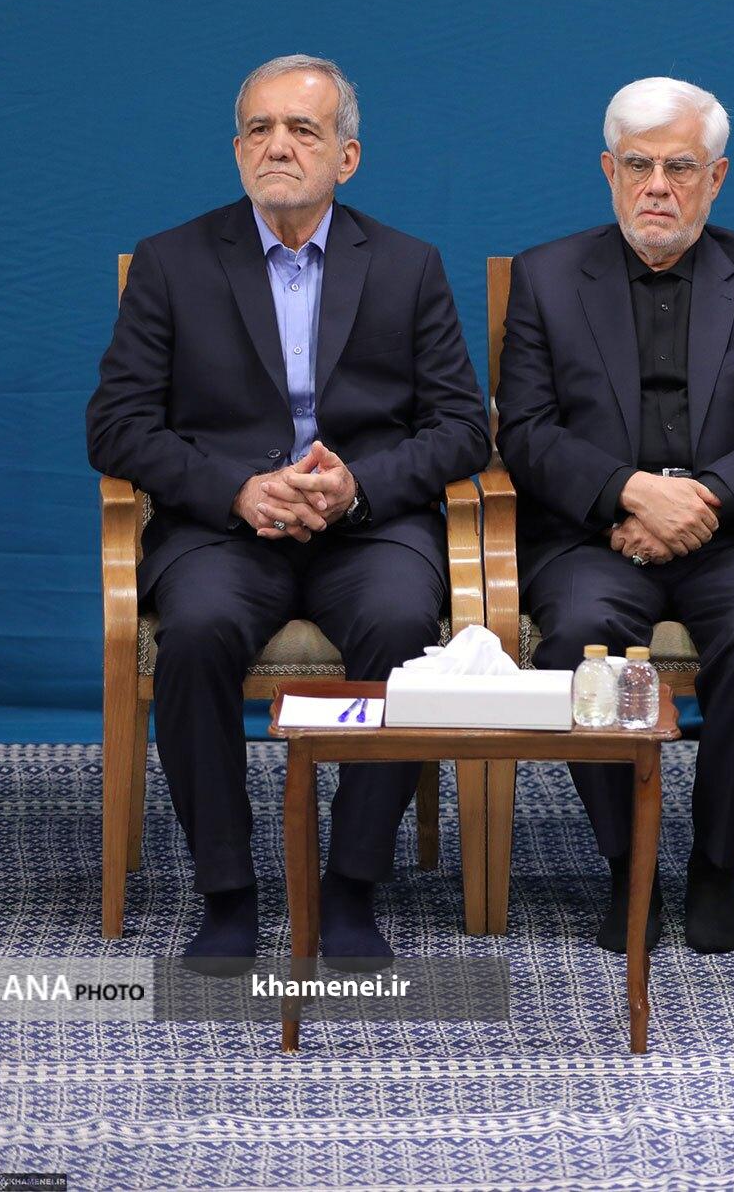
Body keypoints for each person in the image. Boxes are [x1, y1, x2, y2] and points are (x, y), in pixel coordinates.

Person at [87, 54, 490, 966]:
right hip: (222, 530)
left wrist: (356, 487)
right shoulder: (171, 262)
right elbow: (115, 426)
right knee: (195, 635)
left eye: (303, 129)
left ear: (347, 157)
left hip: (368, 527)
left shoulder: (408, 265)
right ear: (237, 150)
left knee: (401, 625)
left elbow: (464, 428)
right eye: (260, 129)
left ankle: (350, 887)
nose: (278, 146)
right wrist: (237, 489)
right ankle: (227, 893)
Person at [496, 77, 734, 955]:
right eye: (638, 165)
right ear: (608, 171)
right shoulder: (545, 276)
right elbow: (524, 431)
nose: (658, 187)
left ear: (715, 177)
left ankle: (715, 867)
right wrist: (629, 491)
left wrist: (705, 498)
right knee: (579, 639)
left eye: (680, 167)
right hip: (595, 533)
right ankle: (628, 866)